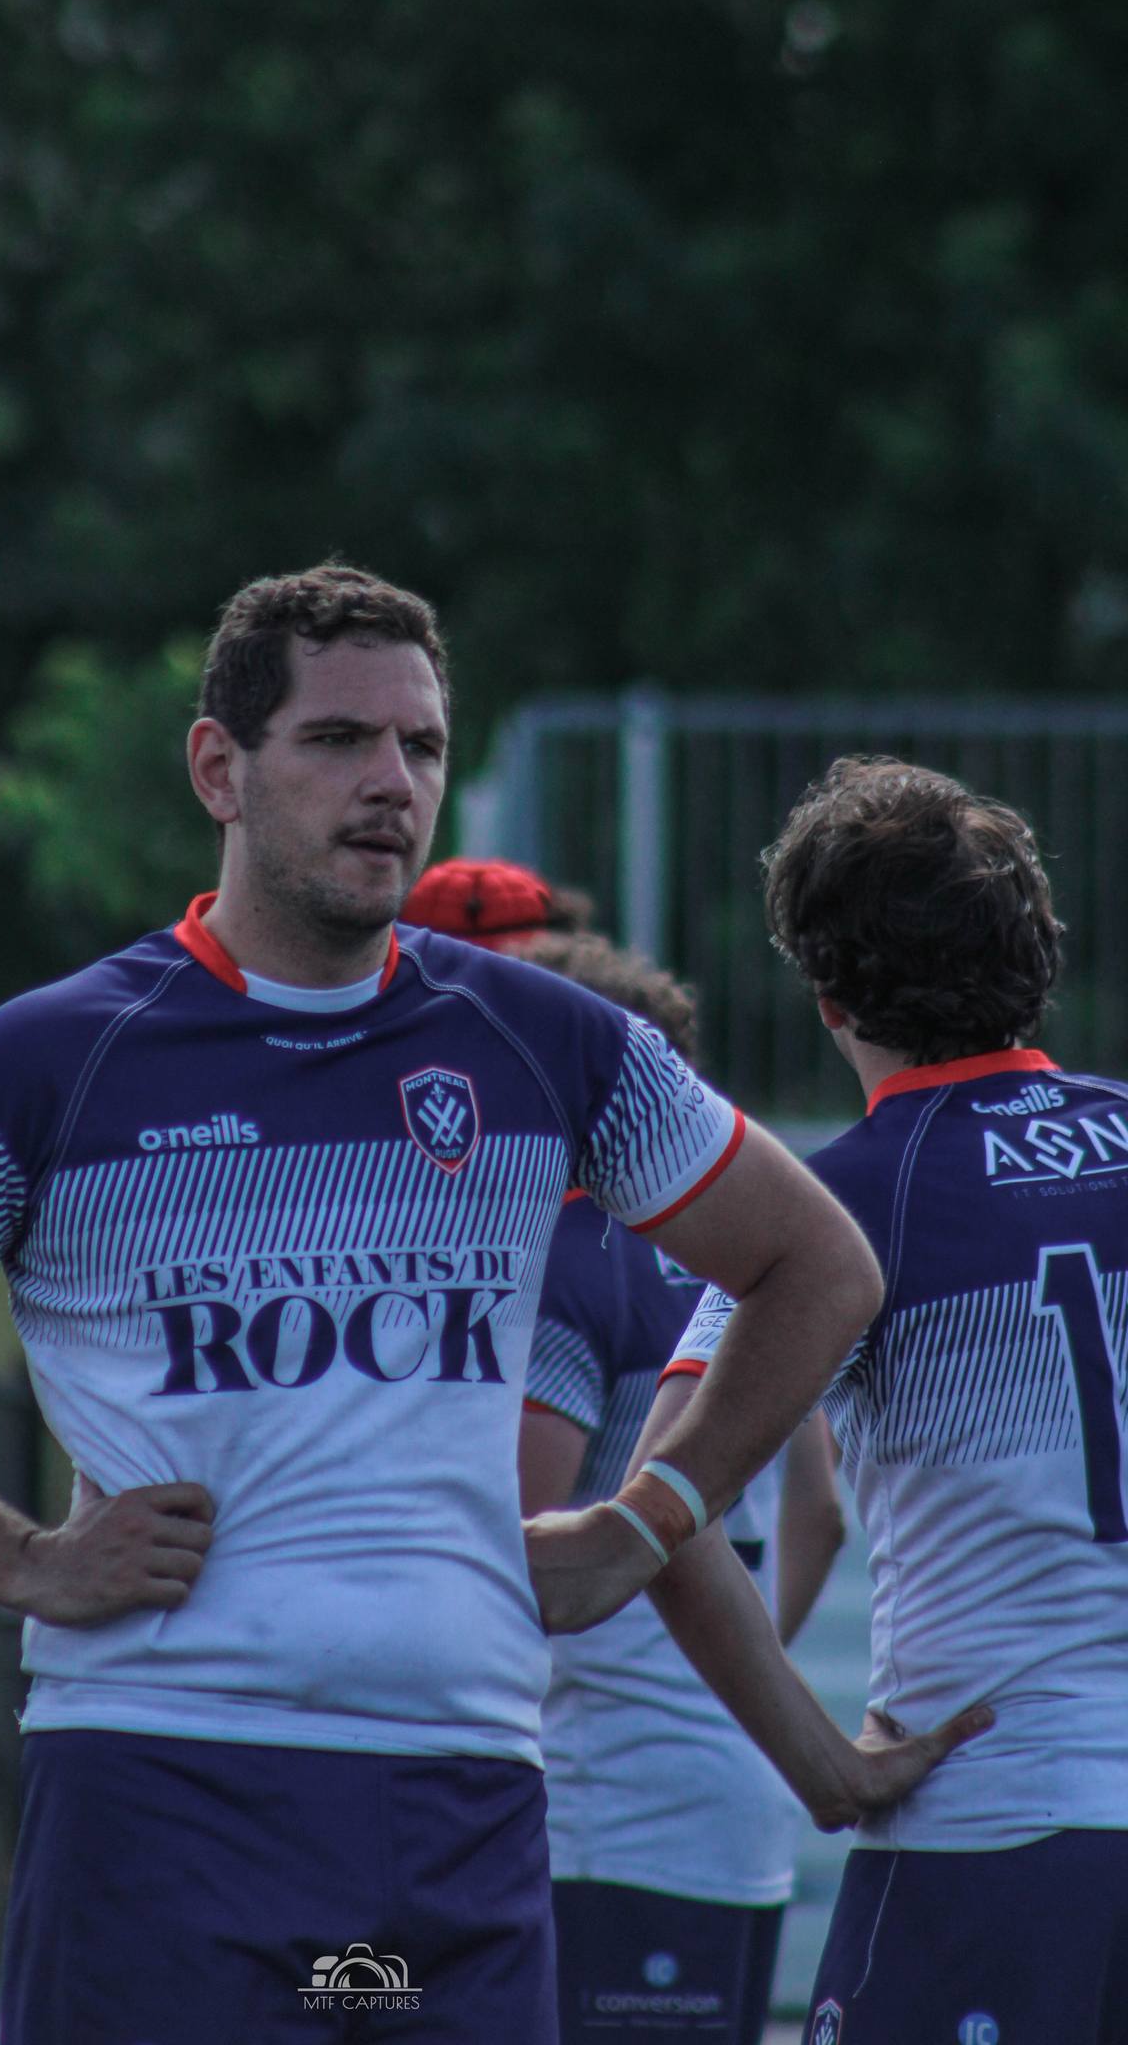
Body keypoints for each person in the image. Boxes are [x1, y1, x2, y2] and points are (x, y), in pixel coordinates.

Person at [0, 567, 971, 2045]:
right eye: (337, 741)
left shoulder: (545, 1040)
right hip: (164, 1789)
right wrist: (19, 1560)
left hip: (457, 1803)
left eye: (424, 748)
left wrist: (648, 1522)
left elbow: (820, 1266)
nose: (392, 784)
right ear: (219, 769)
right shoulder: (47, 1061)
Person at [664, 755, 1128, 2045]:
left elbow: (669, 1504)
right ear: (1039, 951)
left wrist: (820, 1765)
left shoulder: (838, 1203)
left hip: (994, 1825)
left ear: (824, 997)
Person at [403, 874, 844, 2045]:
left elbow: (504, 1548)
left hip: (613, 1813)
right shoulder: (733, 1258)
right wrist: (741, 1665)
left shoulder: (566, 1256)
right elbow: (822, 1503)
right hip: (725, 1795)